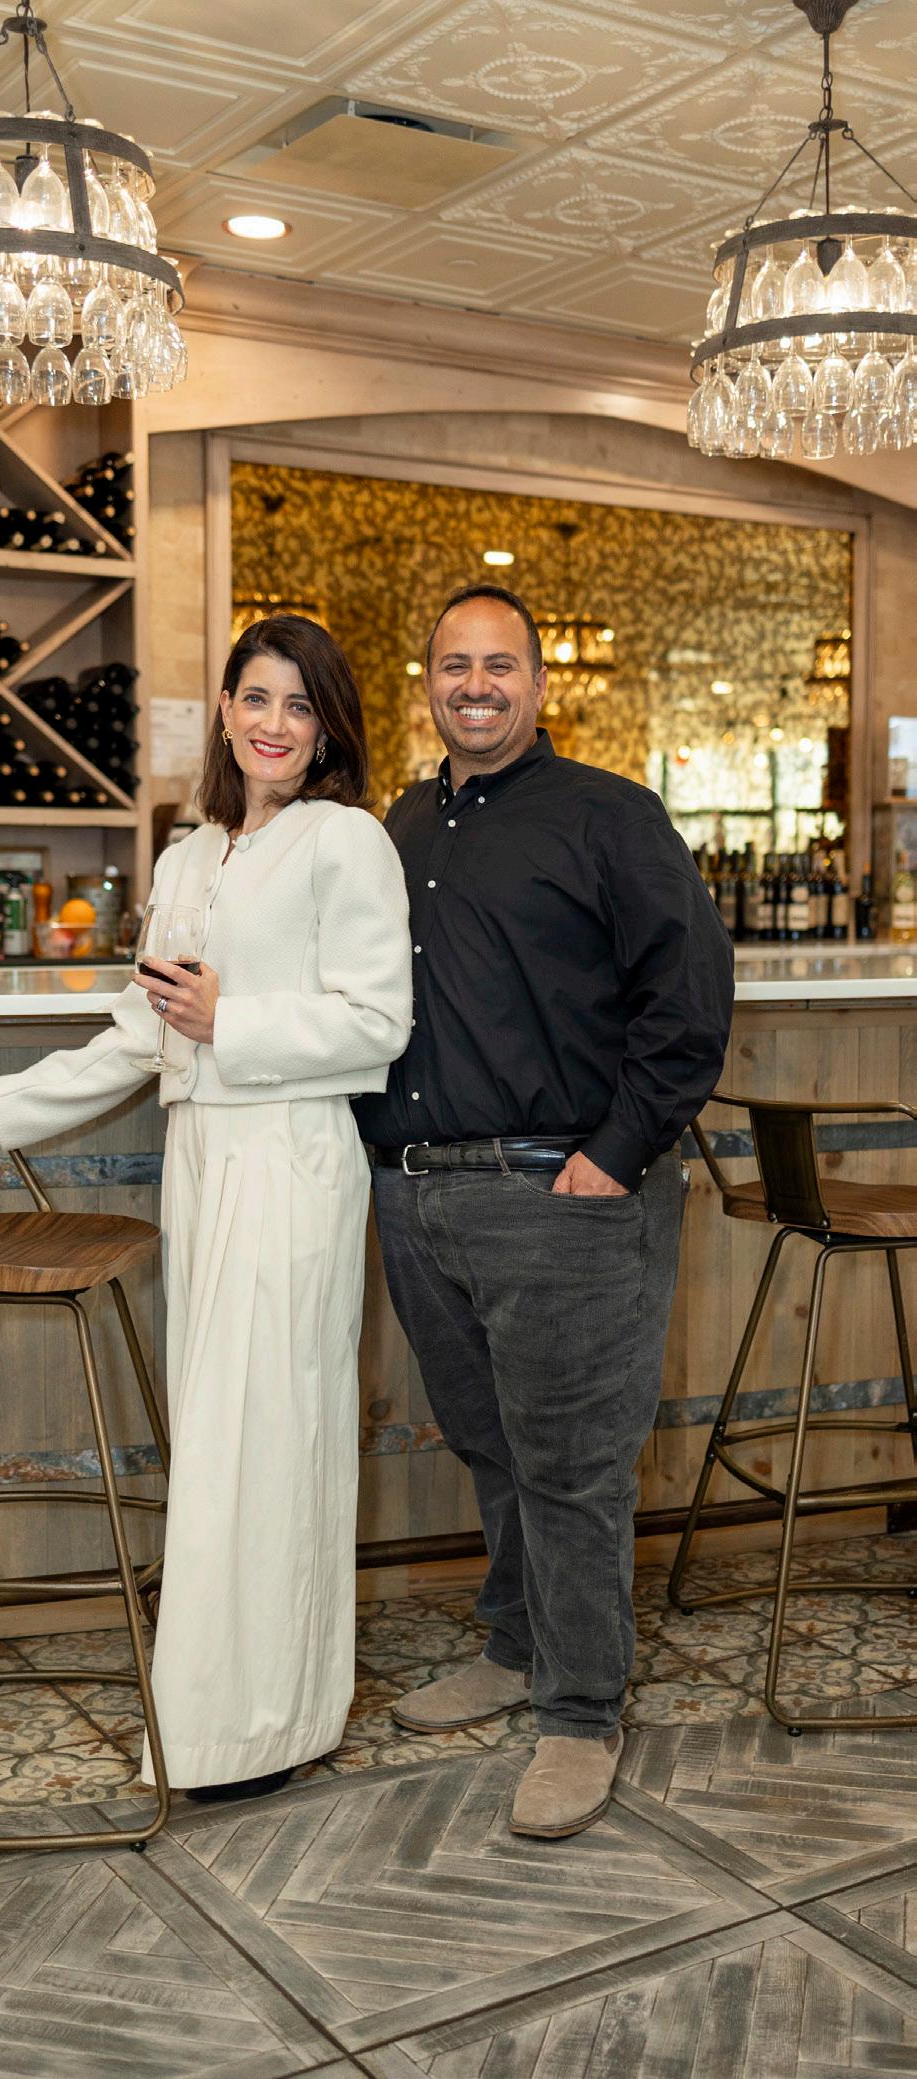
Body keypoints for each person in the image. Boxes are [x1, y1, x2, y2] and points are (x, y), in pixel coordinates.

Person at [0, 615, 412, 1801]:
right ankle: (213, 1717)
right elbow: (142, 1032)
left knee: (271, 1440)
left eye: (300, 704)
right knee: (219, 1440)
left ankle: (268, 1725)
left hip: (290, 1159)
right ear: (226, 710)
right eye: (256, 697)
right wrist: (3, 1098)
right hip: (201, 1158)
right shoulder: (190, 860)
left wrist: (229, 1021)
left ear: (328, 727)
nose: (274, 723)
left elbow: (378, 1025)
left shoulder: (347, 842)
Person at [354, 583, 734, 1840]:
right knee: (490, 1443)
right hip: (423, 1195)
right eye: (453, 665)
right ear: (426, 683)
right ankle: (516, 1648)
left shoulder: (609, 816)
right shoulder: (403, 823)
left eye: (499, 664)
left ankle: (580, 1713)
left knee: (571, 1470)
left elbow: (690, 998)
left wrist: (614, 1157)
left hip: (559, 1191)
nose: (476, 685)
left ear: (537, 682)